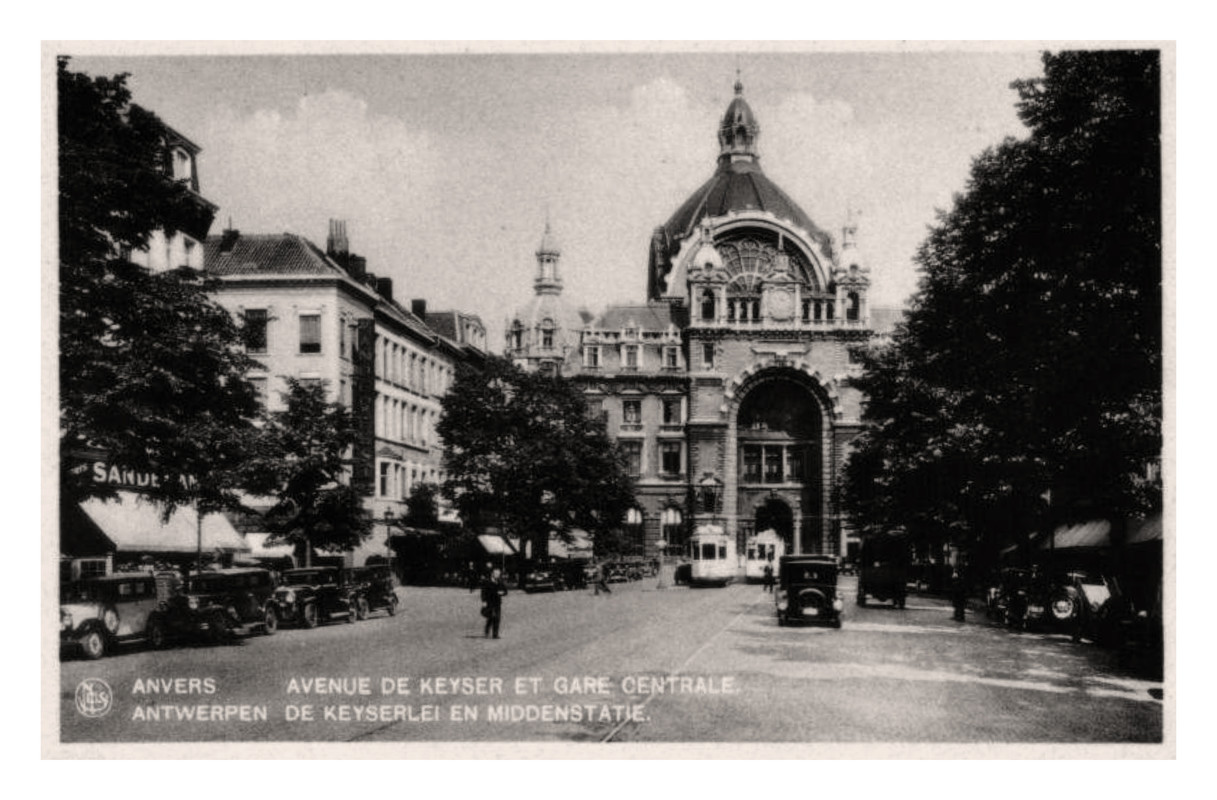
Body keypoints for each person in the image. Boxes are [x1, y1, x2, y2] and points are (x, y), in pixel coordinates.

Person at [480, 568, 507, 638]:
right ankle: (487, 629)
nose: (497, 575)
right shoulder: (487, 582)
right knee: (491, 617)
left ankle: (495, 634)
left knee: (497, 618)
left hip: (497, 602)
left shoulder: (500, 582)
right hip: (489, 602)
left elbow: (505, 591)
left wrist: (502, 593)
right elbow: (483, 592)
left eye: (498, 574)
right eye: (496, 574)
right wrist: (484, 601)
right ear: (492, 574)